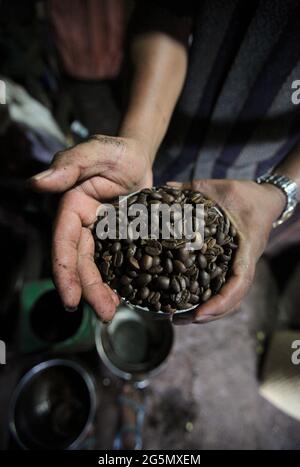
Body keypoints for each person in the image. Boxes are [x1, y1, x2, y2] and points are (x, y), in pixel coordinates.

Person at [30, 0, 300, 324]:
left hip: (267, 164)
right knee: (154, 188)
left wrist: (280, 190)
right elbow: (166, 12)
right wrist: (140, 140)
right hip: (171, 123)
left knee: (239, 244)